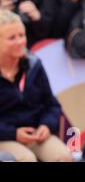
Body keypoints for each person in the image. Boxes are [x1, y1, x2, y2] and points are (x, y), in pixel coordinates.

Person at [0, 10, 72, 162]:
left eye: (22, 35)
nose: (20, 42)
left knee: (63, 157)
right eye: (12, 38)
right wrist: (13, 133)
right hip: (4, 137)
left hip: (36, 133)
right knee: (26, 159)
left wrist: (46, 125)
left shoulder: (34, 65)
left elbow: (52, 105)